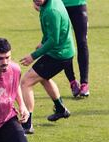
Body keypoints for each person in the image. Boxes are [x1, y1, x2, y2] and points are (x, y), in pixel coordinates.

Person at [20, 0, 75, 134]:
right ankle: (61, 109)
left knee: (26, 82)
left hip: (58, 54)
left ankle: (27, 124)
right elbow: (52, 30)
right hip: (63, 51)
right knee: (43, 77)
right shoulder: (51, 4)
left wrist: (33, 56)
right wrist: (43, 41)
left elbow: (53, 40)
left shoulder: (51, 11)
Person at [62, 0, 89, 97]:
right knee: (63, 44)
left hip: (78, 4)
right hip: (59, 6)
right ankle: (72, 82)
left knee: (82, 42)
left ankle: (84, 83)